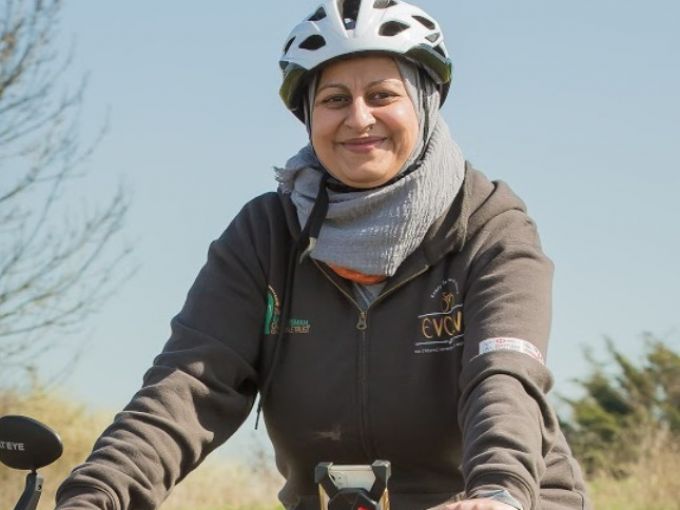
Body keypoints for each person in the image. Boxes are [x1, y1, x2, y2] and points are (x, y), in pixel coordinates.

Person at [55, 1, 592, 509]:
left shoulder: (489, 224)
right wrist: (96, 495)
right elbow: (189, 384)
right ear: (309, 116)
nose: (359, 119)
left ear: (425, 101)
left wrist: (499, 490)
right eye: (335, 99)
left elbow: (502, 374)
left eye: (382, 95)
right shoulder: (266, 235)